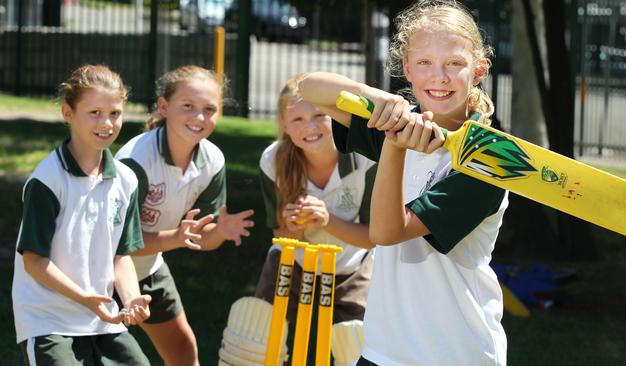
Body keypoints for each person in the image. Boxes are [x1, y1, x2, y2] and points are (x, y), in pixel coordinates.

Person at [298, 1, 509, 365]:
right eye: (424, 63)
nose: (439, 77)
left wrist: (393, 143)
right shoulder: (402, 119)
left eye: (454, 64)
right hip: (384, 349)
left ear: (479, 70)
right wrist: (381, 100)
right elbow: (311, 88)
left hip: (455, 353)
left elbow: (385, 232)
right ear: (407, 68)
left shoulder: (487, 159)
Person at [12, 64, 151, 365]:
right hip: (47, 320)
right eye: (95, 113)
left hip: (101, 318)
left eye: (115, 113)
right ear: (67, 113)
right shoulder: (47, 180)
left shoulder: (126, 181)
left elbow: (120, 257)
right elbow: (34, 262)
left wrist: (130, 299)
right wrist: (85, 298)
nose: (107, 123)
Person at [115, 65, 254, 366]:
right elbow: (119, 245)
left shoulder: (213, 160)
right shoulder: (134, 161)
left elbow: (199, 239)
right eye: (188, 106)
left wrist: (220, 232)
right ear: (164, 107)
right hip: (100, 272)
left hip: (149, 268)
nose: (199, 117)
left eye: (209, 109)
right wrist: (176, 238)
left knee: (183, 352)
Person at [254, 74, 376, 349]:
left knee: (360, 347)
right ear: (284, 124)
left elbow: (373, 237)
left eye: (320, 115)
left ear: (338, 115)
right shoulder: (273, 160)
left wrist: (327, 220)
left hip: (351, 265)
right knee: (257, 338)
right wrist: (292, 225)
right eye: (297, 119)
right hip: (292, 262)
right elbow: (280, 234)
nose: (309, 126)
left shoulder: (365, 157)